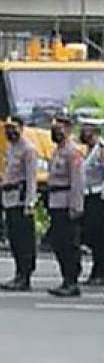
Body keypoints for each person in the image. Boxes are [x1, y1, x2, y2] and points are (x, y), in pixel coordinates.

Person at [47, 115, 86, 298]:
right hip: (55, 203)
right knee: (59, 243)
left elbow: (78, 182)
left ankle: (72, 281)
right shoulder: (57, 152)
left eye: (60, 128)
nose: (55, 132)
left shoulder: (73, 152)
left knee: (69, 244)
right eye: (54, 128)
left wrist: (76, 206)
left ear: (68, 130)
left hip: (66, 203)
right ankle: (65, 279)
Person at [0, 117, 39, 291]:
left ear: (21, 128)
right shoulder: (10, 148)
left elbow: (31, 178)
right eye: (7, 128)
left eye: (13, 128)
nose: (9, 131)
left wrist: (30, 202)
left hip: (21, 200)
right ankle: (18, 274)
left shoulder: (28, 150)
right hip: (10, 199)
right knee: (14, 240)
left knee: (24, 241)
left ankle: (25, 275)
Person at [82, 119, 104, 287]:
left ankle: (100, 271)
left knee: (98, 237)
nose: (84, 133)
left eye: (87, 129)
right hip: (86, 196)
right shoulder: (85, 150)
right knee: (90, 235)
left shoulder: (101, 150)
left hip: (98, 196)